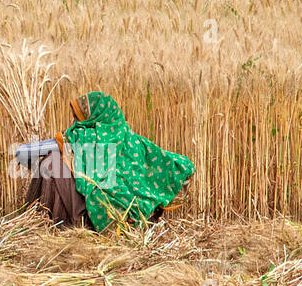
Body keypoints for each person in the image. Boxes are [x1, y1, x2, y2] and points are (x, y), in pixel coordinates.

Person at [31, 91, 194, 232]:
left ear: (96, 117)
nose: (76, 124)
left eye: (79, 118)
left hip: (106, 214)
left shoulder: (92, 138)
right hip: (124, 212)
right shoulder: (133, 139)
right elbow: (178, 163)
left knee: (52, 163)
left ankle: (56, 223)